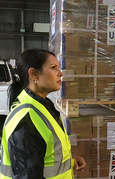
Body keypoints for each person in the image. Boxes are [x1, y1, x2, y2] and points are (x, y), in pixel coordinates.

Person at [1, 49, 86, 178]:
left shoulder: (44, 106)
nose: (61, 73)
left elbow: (46, 151)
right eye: (53, 67)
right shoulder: (26, 121)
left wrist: (70, 159)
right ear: (33, 74)